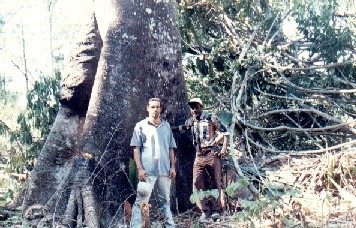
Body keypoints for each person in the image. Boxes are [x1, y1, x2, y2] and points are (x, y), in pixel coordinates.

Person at [178, 98, 229, 221]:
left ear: (201, 106)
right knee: (197, 182)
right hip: (199, 154)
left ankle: (217, 209)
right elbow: (181, 128)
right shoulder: (190, 121)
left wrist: (223, 149)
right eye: (192, 107)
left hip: (211, 152)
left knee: (215, 181)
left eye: (196, 106)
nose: (194, 109)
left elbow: (225, 132)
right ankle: (204, 211)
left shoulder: (210, 118)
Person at [130, 98, 177, 228]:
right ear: (147, 108)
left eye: (157, 107)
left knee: (165, 201)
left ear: (161, 109)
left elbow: (171, 148)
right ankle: (135, 225)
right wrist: (139, 168)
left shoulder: (166, 126)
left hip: (164, 170)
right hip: (147, 171)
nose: (155, 109)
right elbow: (136, 148)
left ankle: (170, 225)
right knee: (142, 200)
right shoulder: (140, 126)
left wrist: (172, 167)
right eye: (152, 107)